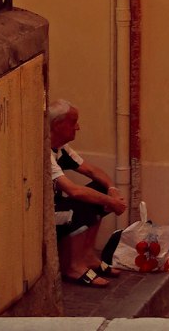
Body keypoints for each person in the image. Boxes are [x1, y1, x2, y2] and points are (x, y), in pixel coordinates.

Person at [49, 99, 127, 287]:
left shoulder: (62, 149)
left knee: (98, 191)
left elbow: (93, 171)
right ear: (57, 125)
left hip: (58, 207)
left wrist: (111, 190)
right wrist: (111, 202)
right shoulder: (45, 154)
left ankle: (88, 256)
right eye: (73, 122)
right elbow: (73, 190)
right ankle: (74, 267)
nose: (78, 127)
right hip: (44, 216)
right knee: (81, 205)